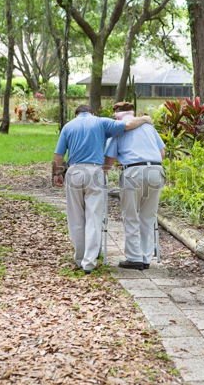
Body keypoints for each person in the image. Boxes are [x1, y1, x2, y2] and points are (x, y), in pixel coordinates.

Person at [52, 104, 152, 274]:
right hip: (95, 171)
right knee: (93, 216)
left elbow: (58, 155)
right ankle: (89, 262)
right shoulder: (101, 122)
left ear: (76, 114)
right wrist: (144, 119)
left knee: (75, 217)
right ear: (92, 112)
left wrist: (57, 174)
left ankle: (79, 258)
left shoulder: (68, 126)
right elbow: (127, 125)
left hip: (74, 170)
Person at [104, 101, 165, 270]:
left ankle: (134, 257)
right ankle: (146, 257)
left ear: (116, 113)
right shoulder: (148, 127)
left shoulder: (119, 128)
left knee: (131, 214)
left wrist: (103, 173)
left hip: (133, 172)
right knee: (148, 216)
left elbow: (109, 158)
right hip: (155, 170)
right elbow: (162, 153)